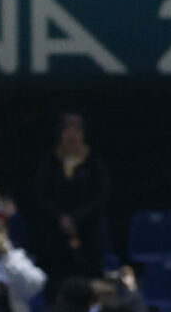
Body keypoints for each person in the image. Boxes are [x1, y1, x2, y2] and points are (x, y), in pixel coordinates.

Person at [28, 113, 110, 283]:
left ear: (83, 133)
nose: (72, 134)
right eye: (67, 129)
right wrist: (60, 217)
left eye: (76, 129)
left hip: (88, 231)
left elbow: (101, 195)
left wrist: (76, 217)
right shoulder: (49, 162)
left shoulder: (94, 162)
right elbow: (41, 194)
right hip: (55, 231)